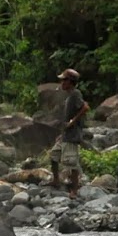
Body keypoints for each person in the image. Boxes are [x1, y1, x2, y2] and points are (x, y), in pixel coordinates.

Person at [50, 69, 89, 198]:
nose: (61, 82)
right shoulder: (70, 95)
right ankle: (56, 181)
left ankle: (74, 191)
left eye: (64, 80)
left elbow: (85, 107)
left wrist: (73, 122)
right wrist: (62, 133)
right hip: (66, 134)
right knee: (54, 155)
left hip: (72, 136)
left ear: (70, 82)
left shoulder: (76, 94)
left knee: (72, 163)